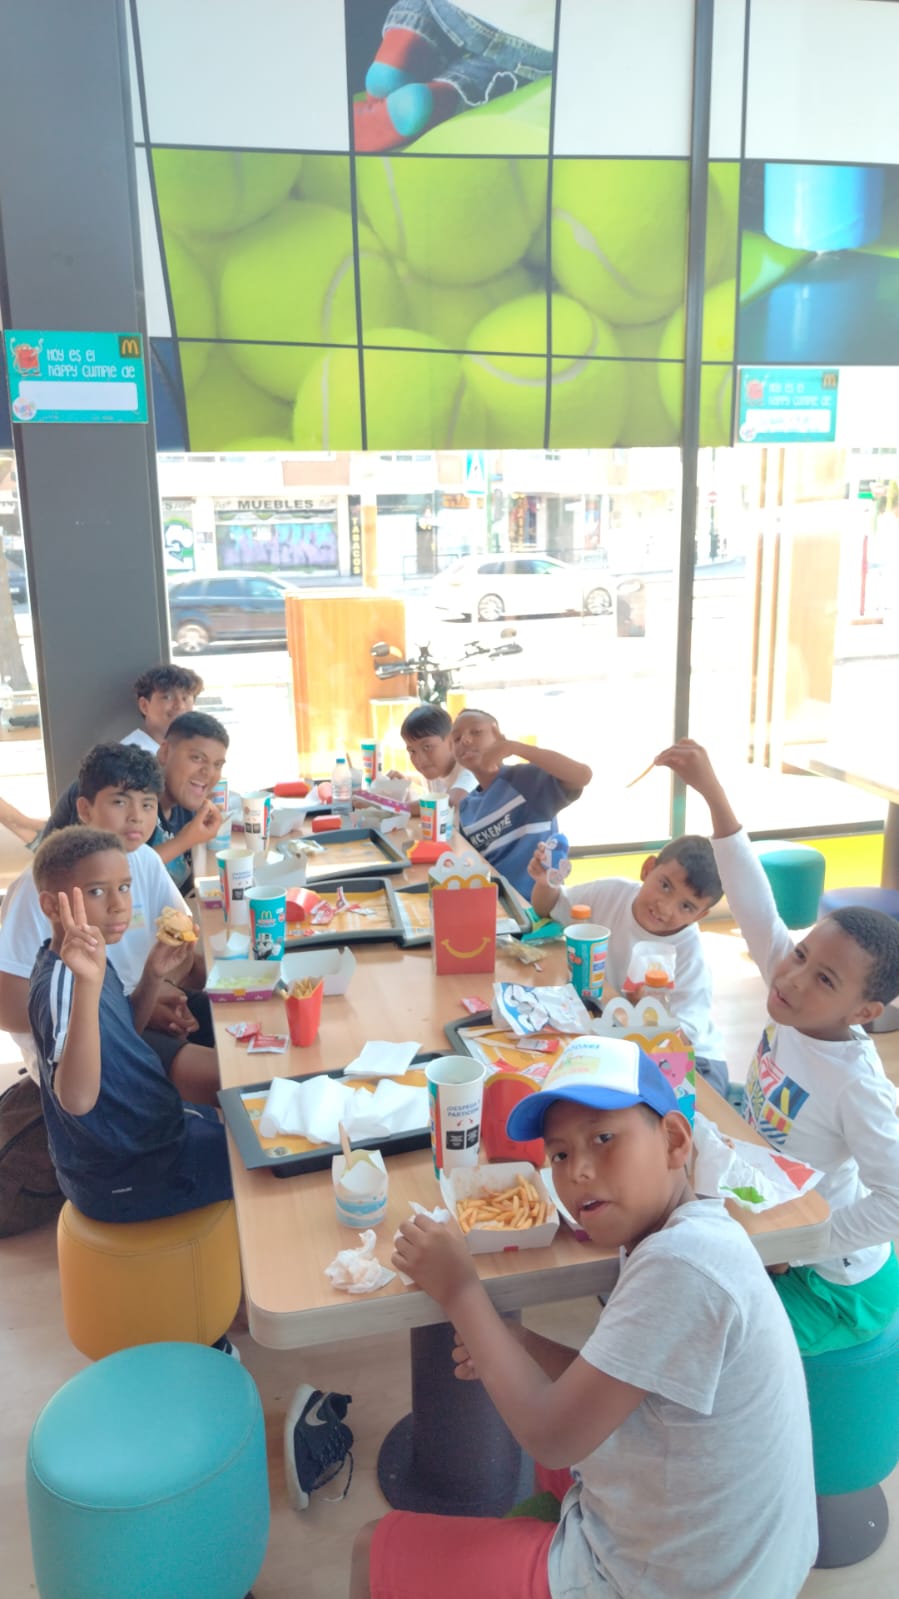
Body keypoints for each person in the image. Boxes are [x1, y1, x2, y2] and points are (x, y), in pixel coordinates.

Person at [352, 1036, 818, 1599]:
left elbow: (551, 1438)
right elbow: (629, 1380)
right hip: (741, 1559)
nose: (577, 1172)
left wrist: (459, 1290)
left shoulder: (682, 1266)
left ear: (674, 1140)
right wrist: (517, 1340)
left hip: (674, 1583)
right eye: (560, 1155)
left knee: (371, 1547)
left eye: (604, 1139)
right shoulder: (693, 1233)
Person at [655, 738, 899, 1356]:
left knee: (695, 1339)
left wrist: (805, 1242)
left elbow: (895, 1200)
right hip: (769, 1213)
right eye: (801, 954)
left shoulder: (857, 1085)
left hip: (836, 1284)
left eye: (825, 979)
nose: (792, 978)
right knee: (658, 1269)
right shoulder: (791, 992)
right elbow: (752, 898)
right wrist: (711, 790)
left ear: (864, 1013)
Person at [28, 826, 232, 1224]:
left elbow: (125, 1032)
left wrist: (152, 977)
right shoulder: (66, 983)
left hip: (150, 1133)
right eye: (97, 892)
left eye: (124, 887)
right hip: (127, 1174)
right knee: (272, 1160)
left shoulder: (91, 954)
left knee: (253, 1121)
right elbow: (76, 1099)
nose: (120, 905)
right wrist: (88, 985)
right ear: (51, 906)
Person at [0, 743, 219, 1103]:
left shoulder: (145, 860)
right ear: (85, 809)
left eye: (147, 804)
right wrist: (128, 1010)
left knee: (246, 1026)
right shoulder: (43, 884)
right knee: (227, 1077)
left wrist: (160, 988)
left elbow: (180, 950)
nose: (136, 817)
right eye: (120, 801)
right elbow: (9, 1011)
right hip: (86, 1043)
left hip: (138, 1006)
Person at [528, 834, 729, 1095]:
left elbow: (682, 1037)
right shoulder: (611, 894)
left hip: (694, 1061)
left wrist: (644, 1008)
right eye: (665, 886)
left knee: (664, 1111)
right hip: (625, 1036)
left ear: (700, 915)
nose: (666, 908)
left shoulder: (690, 953)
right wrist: (546, 883)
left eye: (687, 906)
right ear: (648, 869)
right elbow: (549, 907)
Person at [45, 711, 228, 893]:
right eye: (197, 758)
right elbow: (96, 878)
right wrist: (186, 840)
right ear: (165, 752)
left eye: (217, 765)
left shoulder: (187, 800)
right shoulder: (108, 788)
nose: (208, 772)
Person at [354, 1, 555, 152]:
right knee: (503, 63)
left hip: (457, 7)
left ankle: (406, 37)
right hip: (535, 37)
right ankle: (447, 93)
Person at [453, 708, 591, 898]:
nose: (465, 740)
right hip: (497, 907)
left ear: (498, 737)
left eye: (476, 732)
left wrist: (516, 748)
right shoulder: (467, 808)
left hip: (540, 906)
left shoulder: (527, 780)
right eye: (456, 738)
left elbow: (582, 775)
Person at [388, 702, 478, 811]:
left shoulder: (470, 769)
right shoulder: (435, 769)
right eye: (412, 751)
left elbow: (451, 802)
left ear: (452, 741)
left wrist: (395, 808)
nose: (419, 759)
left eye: (427, 747)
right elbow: (431, 780)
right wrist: (407, 779)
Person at [122, 662, 204, 754]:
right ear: (144, 706)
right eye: (167, 697)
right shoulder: (128, 755)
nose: (180, 706)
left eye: (185, 698)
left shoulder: (191, 751)